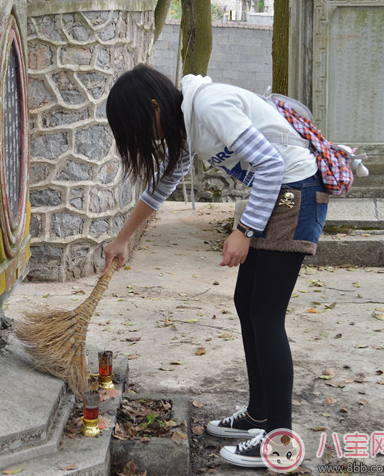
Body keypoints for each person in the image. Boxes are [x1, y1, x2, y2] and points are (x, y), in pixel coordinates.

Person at [102, 65, 328, 468]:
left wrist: (243, 230)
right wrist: (123, 238)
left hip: (296, 191)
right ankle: (259, 415)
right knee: (248, 303)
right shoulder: (185, 119)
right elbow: (162, 185)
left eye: (142, 128)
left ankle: (279, 441)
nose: (148, 138)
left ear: (155, 107)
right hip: (277, 194)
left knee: (266, 314)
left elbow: (272, 164)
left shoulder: (208, 106)